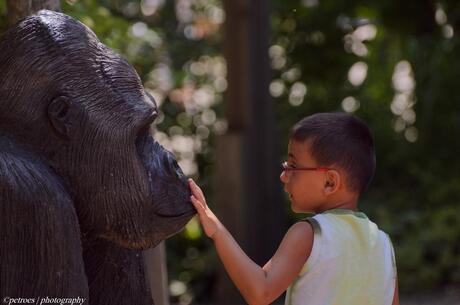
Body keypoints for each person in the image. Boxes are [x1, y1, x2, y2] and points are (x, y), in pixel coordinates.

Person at [188, 112, 399, 305]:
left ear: (330, 182)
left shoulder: (310, 233)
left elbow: (260, 291)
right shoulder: (382, 243)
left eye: (293, 166)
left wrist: (216, 230)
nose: (283, 175)